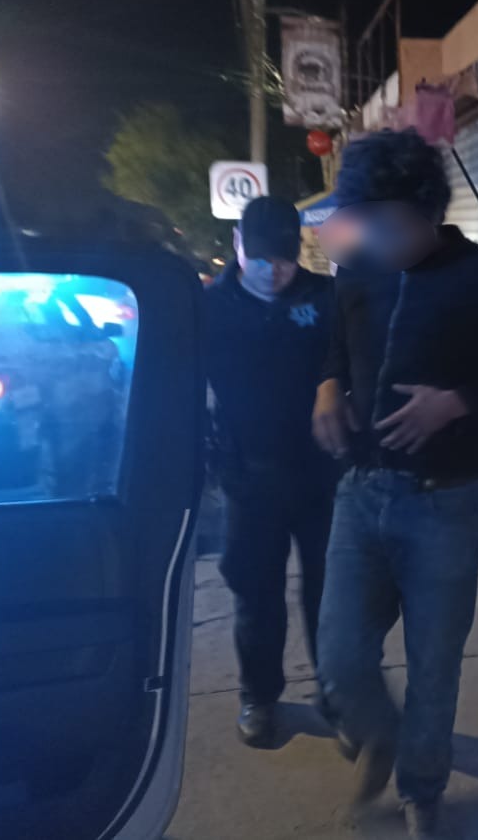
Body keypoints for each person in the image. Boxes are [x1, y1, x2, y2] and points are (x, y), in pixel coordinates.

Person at [312, 129, 478, 839]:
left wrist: (454, 403)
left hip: (444, 504)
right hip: (360, 494)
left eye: (388, 223)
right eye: (364, 221)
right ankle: (380, 733)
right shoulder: (357, 268)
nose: (374, 238)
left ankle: (422, 789)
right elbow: (335, 343)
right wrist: (327, 388)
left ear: (427, 213)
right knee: (339, 657)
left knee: (434, 666)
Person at [205, 195, 339, 749]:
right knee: (256, 595)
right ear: (237, 243)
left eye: (283, 257)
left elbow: (349, 353)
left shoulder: (324, 296)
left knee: (331, 594)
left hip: (322, 474)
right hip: (248, 477)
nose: (272, 269)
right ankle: (259, 696)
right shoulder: (209, 307)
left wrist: (331, 383)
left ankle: (337, 694)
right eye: (260, 257)